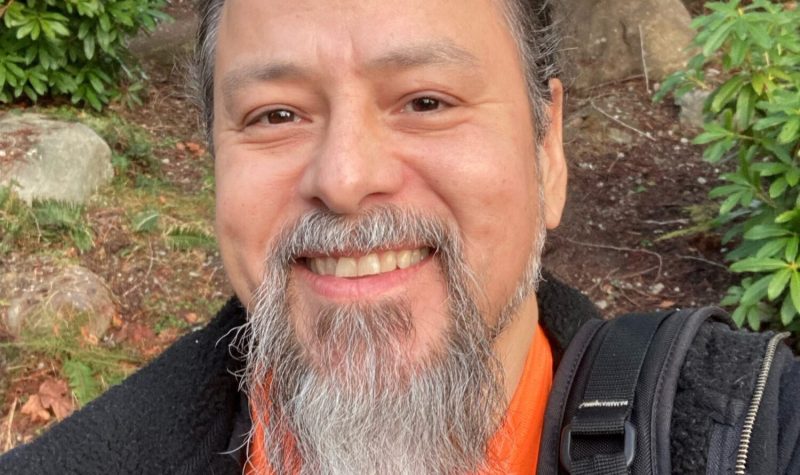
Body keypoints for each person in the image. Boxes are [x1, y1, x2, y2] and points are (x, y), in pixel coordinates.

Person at [1, 0, 798, 473]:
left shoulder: (754, 432)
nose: (344, 178)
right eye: (276, 114)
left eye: (426, 101)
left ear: (547, 147)